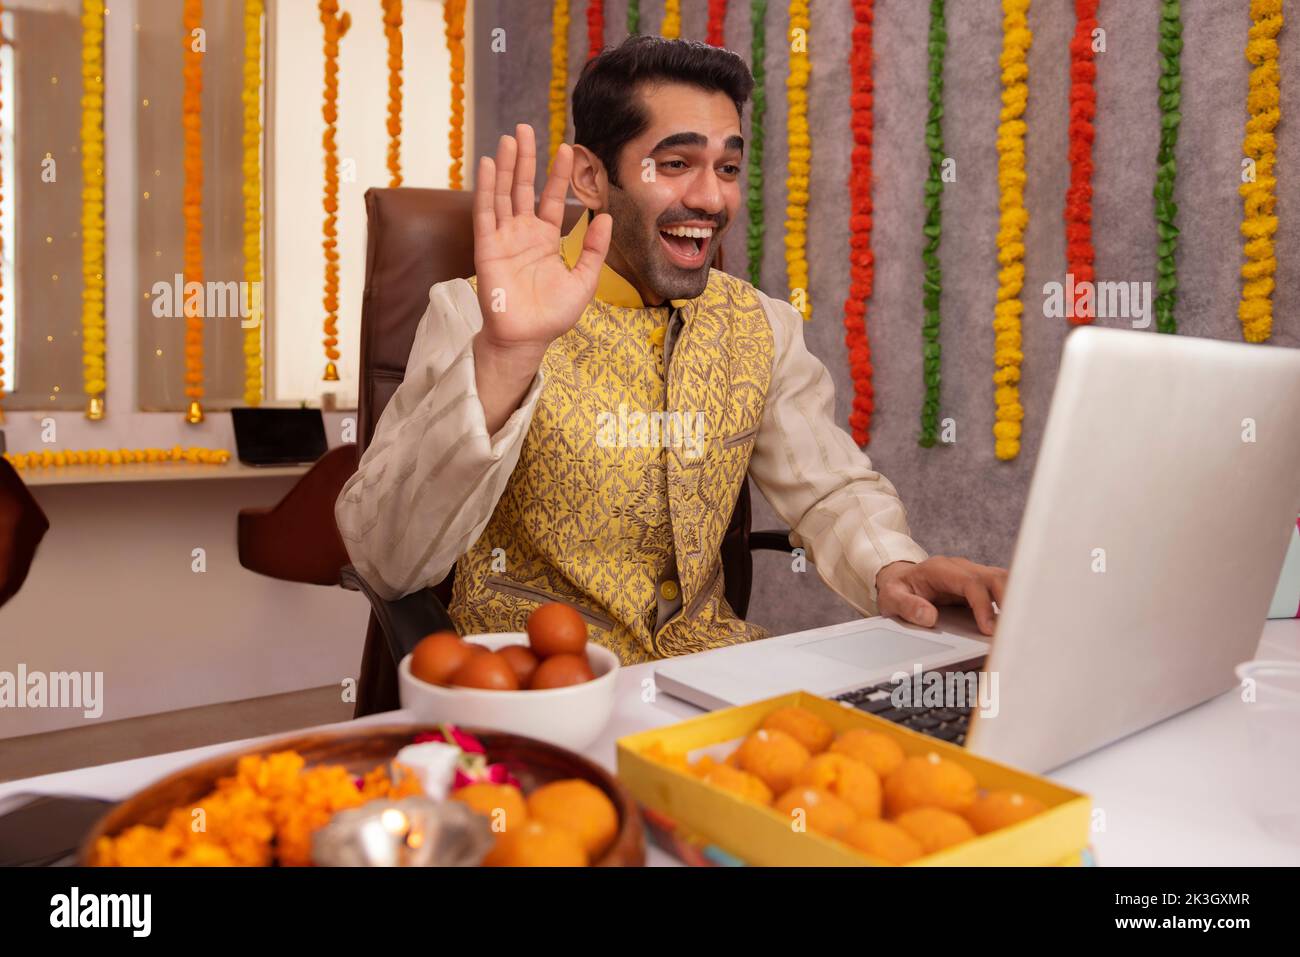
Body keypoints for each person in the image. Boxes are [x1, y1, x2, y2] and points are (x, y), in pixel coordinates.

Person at [336, 36, 1006, 668]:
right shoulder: (475, 315)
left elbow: (829, 486)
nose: (711, 198)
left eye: (728, 168)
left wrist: (896, 568)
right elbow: (385, 559)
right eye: (677, 164)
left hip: (713, 673)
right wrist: (506, 357)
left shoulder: (762, 325)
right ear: (593, 179)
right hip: (542, 690)